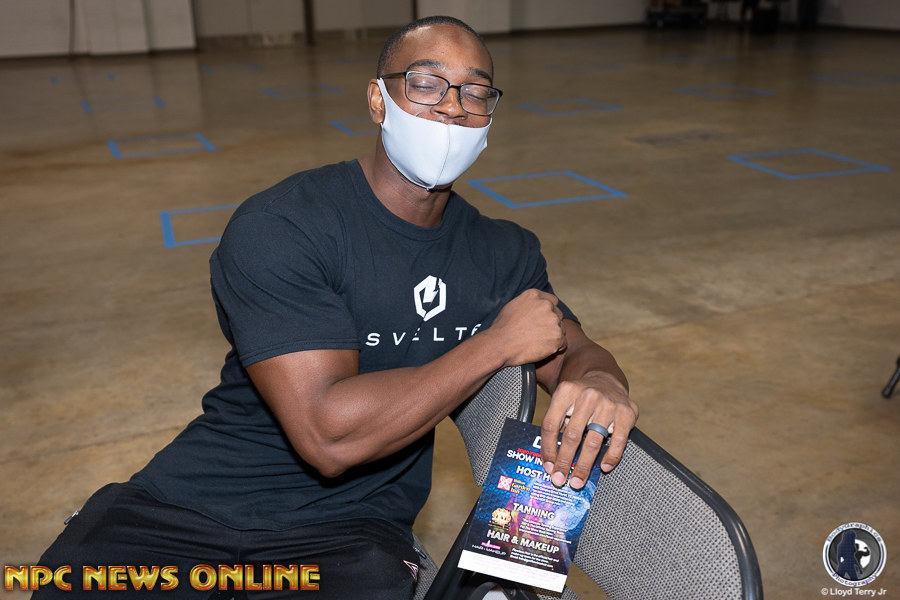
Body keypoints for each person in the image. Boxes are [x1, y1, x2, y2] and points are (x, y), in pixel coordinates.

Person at [33, 15, 637, 599]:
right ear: (378, 100)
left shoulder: (502, 252)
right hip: (189, 509)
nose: (453, 107)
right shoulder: (284, 225)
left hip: (350, 532)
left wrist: (601, 380)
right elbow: (327, 437)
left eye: (475, 92)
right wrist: (493, 346)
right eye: (427, 84)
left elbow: (570, 348)